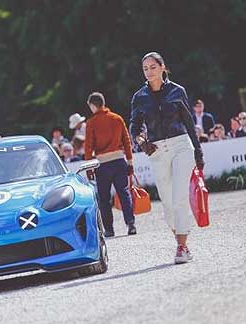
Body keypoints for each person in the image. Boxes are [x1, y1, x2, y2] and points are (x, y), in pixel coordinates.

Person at [130, 52, 204, 264]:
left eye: (153, 67)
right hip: (157, 150)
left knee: (180, 196)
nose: (149, 71)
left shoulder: (177, 91)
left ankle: (180, 247)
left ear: (163, 67)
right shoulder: (139, 97)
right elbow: (135, 126)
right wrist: (142, 142)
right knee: (168, 202)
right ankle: (183, 244)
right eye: (145, 68)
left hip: (181, 145)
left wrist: (198, 152)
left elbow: (189, 122)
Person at [85, 92, 136, 237]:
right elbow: (127, 141)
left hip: (102, 164)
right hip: (119, 161)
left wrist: (89, 167)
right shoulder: (117, 118)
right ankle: (131, 224)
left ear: (93, 105)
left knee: (104, 198)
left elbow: (89, 146)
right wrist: (130, 161)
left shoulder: (91, 123)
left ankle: (109, 229)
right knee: (124, 193)